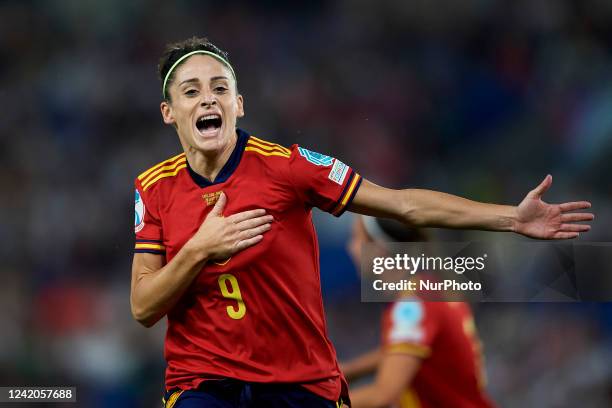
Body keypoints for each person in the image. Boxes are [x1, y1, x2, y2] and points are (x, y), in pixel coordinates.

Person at [130, 36, 593, 408]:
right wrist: (197, 249)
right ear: (170, 113)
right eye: (191, 91)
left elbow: (402, 205)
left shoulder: (289, 167)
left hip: (300, 383)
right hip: (204, 383)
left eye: (220, 88)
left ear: (239, 104)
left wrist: (512, 217)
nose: (208, 98)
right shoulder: (153, 189)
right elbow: (144, 307)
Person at [342, 215, 496, 407]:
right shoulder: (431, 291)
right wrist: (347, 370)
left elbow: (383, 395)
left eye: (356, 238)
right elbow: (404, 353)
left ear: (379, 249)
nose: (350, 247)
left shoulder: (412, 307)